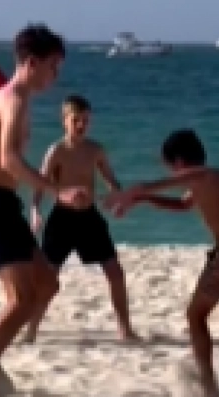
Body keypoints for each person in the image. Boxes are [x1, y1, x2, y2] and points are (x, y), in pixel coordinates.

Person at [0, 24, 90, 397]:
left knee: (46, 284)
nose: (55, 75)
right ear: (31, 63)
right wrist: (58, 191)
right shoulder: (11, 99)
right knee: (22, 300)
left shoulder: (16, 99)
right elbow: (8, 160)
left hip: (4, 203)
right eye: (52, 66)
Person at [104, 129, 219, 397]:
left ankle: (208, 385)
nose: (171, 172)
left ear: (178, 162)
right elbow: (182, 204)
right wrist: (143, 199)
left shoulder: (209, 175)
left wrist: (132, 194)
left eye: (169, 166)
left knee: (196, 315)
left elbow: (157, 184)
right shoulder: (206, 181)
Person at [27, 94, 139, 342]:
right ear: (64, 121)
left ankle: (125, 328)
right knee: (48, 278)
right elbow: (40, 184)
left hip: (89, 217)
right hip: (62, 219)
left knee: (115, 272)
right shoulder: (56, 150)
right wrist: (35, 210)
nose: (81, 125)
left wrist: (117, 198)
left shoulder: (95, 149)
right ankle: (31, 329)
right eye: (76, 120)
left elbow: (112, 181)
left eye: (86, 120)